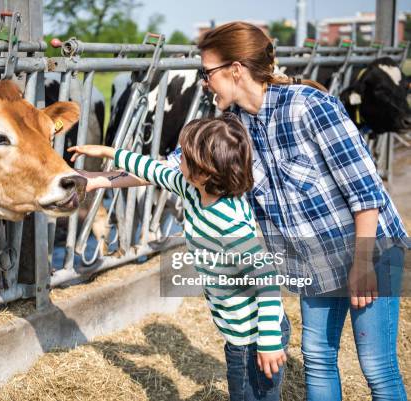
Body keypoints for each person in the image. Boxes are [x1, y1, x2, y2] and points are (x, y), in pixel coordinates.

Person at [179, 22, 406, 401]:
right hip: (315, 260)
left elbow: (366, 191)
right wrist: (103, 177)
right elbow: (180, 163)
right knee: (317, 358)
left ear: (235, 69)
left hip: (371, 248)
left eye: (208, 72)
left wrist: (362, 263)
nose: (205, 82)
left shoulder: (308, 106)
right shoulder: (234, 126)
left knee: (376, 367)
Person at [69, 114, 291, 401]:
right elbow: (152, 170)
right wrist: (108, 156)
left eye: (185, 156)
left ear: (204, 171)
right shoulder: (191, 188)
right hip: (238, 331)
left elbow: (267, 278)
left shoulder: (230, 224)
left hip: (256, 336)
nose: (177, 160)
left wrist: (270, 340)